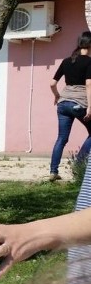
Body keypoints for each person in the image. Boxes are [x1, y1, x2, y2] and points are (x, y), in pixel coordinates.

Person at [48, 31, 91, 182]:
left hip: (63, 103)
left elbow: (52, 83)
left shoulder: (67, 61)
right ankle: (78, 163)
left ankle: (53, 171)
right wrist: (90, 107)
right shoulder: (89, 62)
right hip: (79, 104)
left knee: (61, 138)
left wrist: (57, 96)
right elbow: (88, 84)